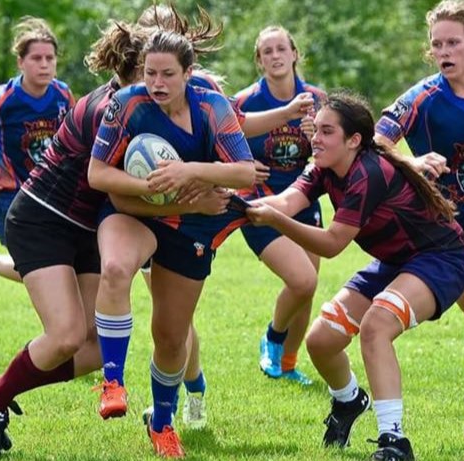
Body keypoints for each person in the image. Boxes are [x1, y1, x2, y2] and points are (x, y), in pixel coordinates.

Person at [0, 21, 159, 457]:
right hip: (43, 220)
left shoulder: (143, 105)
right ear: (137, 67)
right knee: (68, 335)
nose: (161, 79)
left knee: (93, 351)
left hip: (86, 229)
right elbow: (116, 185)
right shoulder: (109, 107)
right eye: (154, 70)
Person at [246, 91, 464, 461]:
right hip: (396, 262)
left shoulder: (368, 172)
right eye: (315, 130)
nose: (315, 138)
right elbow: (287, 201)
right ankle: (349, 401)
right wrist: (237, 202)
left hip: (441, 259)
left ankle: (394, 441)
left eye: (327, 131)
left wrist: (274, 221)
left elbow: (332, 243)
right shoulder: (323, 166)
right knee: (321, 341)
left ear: (354, 141)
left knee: (377, 325)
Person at [135, 5, 317, 427]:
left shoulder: (201, 88)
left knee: (175, 322)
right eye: (149, 26)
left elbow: (238, 129)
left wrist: (287, 116)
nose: (156, 33)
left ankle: (193, 391)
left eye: (164, 25)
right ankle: (166, 396)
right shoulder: (126, 94)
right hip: (147, 214)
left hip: (196, 214)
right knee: (167, 321)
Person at [88, 29, 255, 458]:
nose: (157, 83)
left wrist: (189, 173)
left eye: (167, 74)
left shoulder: (212, 106)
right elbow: (98, 175)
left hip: (191, 225)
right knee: (115, 268)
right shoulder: (126, 105)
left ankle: (162, 424)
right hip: (134, 212)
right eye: (149, 73)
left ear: (189, 74)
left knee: (171, 334)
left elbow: (244, 173)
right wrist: (151, 187)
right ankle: (112, 381)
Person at [373, 0, 464, 441]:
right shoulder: (424, 98)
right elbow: (375, 143)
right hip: (443, 237)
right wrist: (412, 161)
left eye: (454, 42)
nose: (444, 51)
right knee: (339, 333)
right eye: (437, 44)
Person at [234, 25, 326, 384]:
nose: (274, 56)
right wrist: (241, 166)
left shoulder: (317, 99)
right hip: (259, 204)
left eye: (280, 49)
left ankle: (287, 365)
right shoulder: (245, 102)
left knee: (309, 287)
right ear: (259, 60)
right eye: (266, 51)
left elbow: (336, 153)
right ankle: (273, 337)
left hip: (303, 201)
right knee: (301, 281)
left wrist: (315, 139)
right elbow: (218, 142)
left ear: (294, 54)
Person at [0, 16, 75, 283]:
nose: (44, 64)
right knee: (37, 267)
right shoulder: (0, 98)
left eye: (50, 58)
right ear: (20, 62)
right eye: (36, 58)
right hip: (7, 195)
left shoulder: (63, 95)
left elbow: (75, 141)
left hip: (50, 193)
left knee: (56, 265)